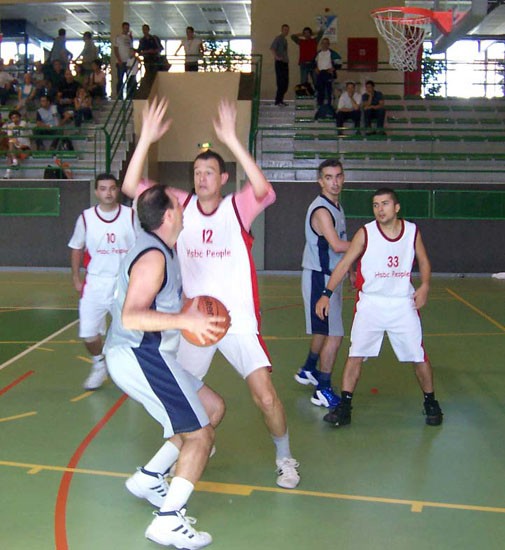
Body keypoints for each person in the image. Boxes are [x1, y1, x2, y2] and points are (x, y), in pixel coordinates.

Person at [122, 97, 301, 490]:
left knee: (265, 397)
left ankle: (285, 457)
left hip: (237, 320)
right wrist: (146, 138)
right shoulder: (178, 205)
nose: (202, 177)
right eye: (197, 172)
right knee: (187, 400)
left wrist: (233, 141)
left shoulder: (237, 208)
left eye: (210, 172)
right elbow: (131, 186)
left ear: (223, 178)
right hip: (194, 322)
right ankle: (191, 447)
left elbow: (265, 190)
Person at [104, 183, 226, 548]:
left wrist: (192, 310)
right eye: (178, 204)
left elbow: (163, 302)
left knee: (211, 408)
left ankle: (148, 477)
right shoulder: (153, 257)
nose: (184, 208)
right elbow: (131, 316)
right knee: (200, 435)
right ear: (169, 215)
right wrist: (187, 321)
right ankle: (169, 521)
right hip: (139, 354)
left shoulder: (163, 250)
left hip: (151, 355)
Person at [315, 188, 444, 428]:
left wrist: (425, 285)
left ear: (396, 207)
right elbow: (344, 263)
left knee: (418, 356)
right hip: (371, 303)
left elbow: (424, 260)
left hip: (402, 304)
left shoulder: (412, 231)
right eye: (375, 205)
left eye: (385, 204)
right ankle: (345, 407)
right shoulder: (366, 233)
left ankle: (431, 402)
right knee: (355, 355)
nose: (380, 209)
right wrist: (326, 294)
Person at [68, 174, 136, 391]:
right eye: (103, 188)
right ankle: (99, 365)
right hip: (95, 283)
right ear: (97, 192)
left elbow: (143, 248)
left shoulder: (131, 216)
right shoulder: (86, 218)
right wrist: (76, 277)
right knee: (88, 333)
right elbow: (77, 248)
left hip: (124, 283)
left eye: (112, 188)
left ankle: (130, 373)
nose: (108, 192)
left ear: (118, 190)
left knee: (129, 333)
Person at [296, 159, 351, 407]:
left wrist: (350, 269)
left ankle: (309, 369)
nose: (334, 182)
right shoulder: (322, 211)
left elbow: (341, 246)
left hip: (332, 275)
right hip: (320, 277)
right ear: (320, 181)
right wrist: (367, 243)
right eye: (329, 177)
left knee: (323, 329)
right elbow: (337, 245)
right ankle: (323, 389)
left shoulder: (336, 206)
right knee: (335, 334)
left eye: (338, 176)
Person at [290, 26, 324, 91]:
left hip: (313, 64)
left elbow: (321, 32)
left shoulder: (315, 41)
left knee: (316, 82)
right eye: (305, 33)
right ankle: (305, 95)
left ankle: (318, 94)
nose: (306, 34)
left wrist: (313, 33)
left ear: (310, 33)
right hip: (304, 64)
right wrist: (301, 34)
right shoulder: (301, 41)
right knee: (303, 83)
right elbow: (292, 36)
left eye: (308, 33)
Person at [314, 38, 341, 111]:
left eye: (326, 43)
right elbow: (313, 62)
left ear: (328, 44)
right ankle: (320, 106)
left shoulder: (332, 53)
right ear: (321, 44)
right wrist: (315, 68)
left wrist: (334, 68)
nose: (324, 45)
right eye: (323, 43)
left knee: (329, 91)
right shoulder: (318, 53)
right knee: (320, 90)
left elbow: (339, 63)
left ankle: (329, 106)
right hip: (320, 73)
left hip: (328, 73)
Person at [4, 110, 31, 179]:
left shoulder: (23, 123)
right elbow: (10, 137)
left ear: (19, 117)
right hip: (16, 148)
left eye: (16, 117)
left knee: (10, 153)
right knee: (10, 145)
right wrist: (15, 141)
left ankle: (8, 172)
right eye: (13, 118)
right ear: (11, 119)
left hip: (25, 147)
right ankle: (14, 162)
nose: (15, 119)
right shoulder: (10, 125)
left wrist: (19, 144)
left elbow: (21, 127)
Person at [270, 24, 290, 106]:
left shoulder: (285, 40)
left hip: (285, 63)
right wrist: (277, 57)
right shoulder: (278, 38)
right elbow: (272, 48)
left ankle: (280, 100)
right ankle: (278, 101)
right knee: (281, 82)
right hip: (280, 63)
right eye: (285, 29)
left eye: (287, 30)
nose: (286, 31)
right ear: (281, 30)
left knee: (285, 83)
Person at [114, 21, 133, 96]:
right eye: (125, 28)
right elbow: (115, 49)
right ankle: (119, 96)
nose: (126, 29)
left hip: (128, 62)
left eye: (128, 28)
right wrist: (119, 60)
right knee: (120, 79)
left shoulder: (129, 38)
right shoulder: (118, 37)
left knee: (129, 79)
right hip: (121, 61)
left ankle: (129, 95)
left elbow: (131, 49)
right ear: (122, 28)